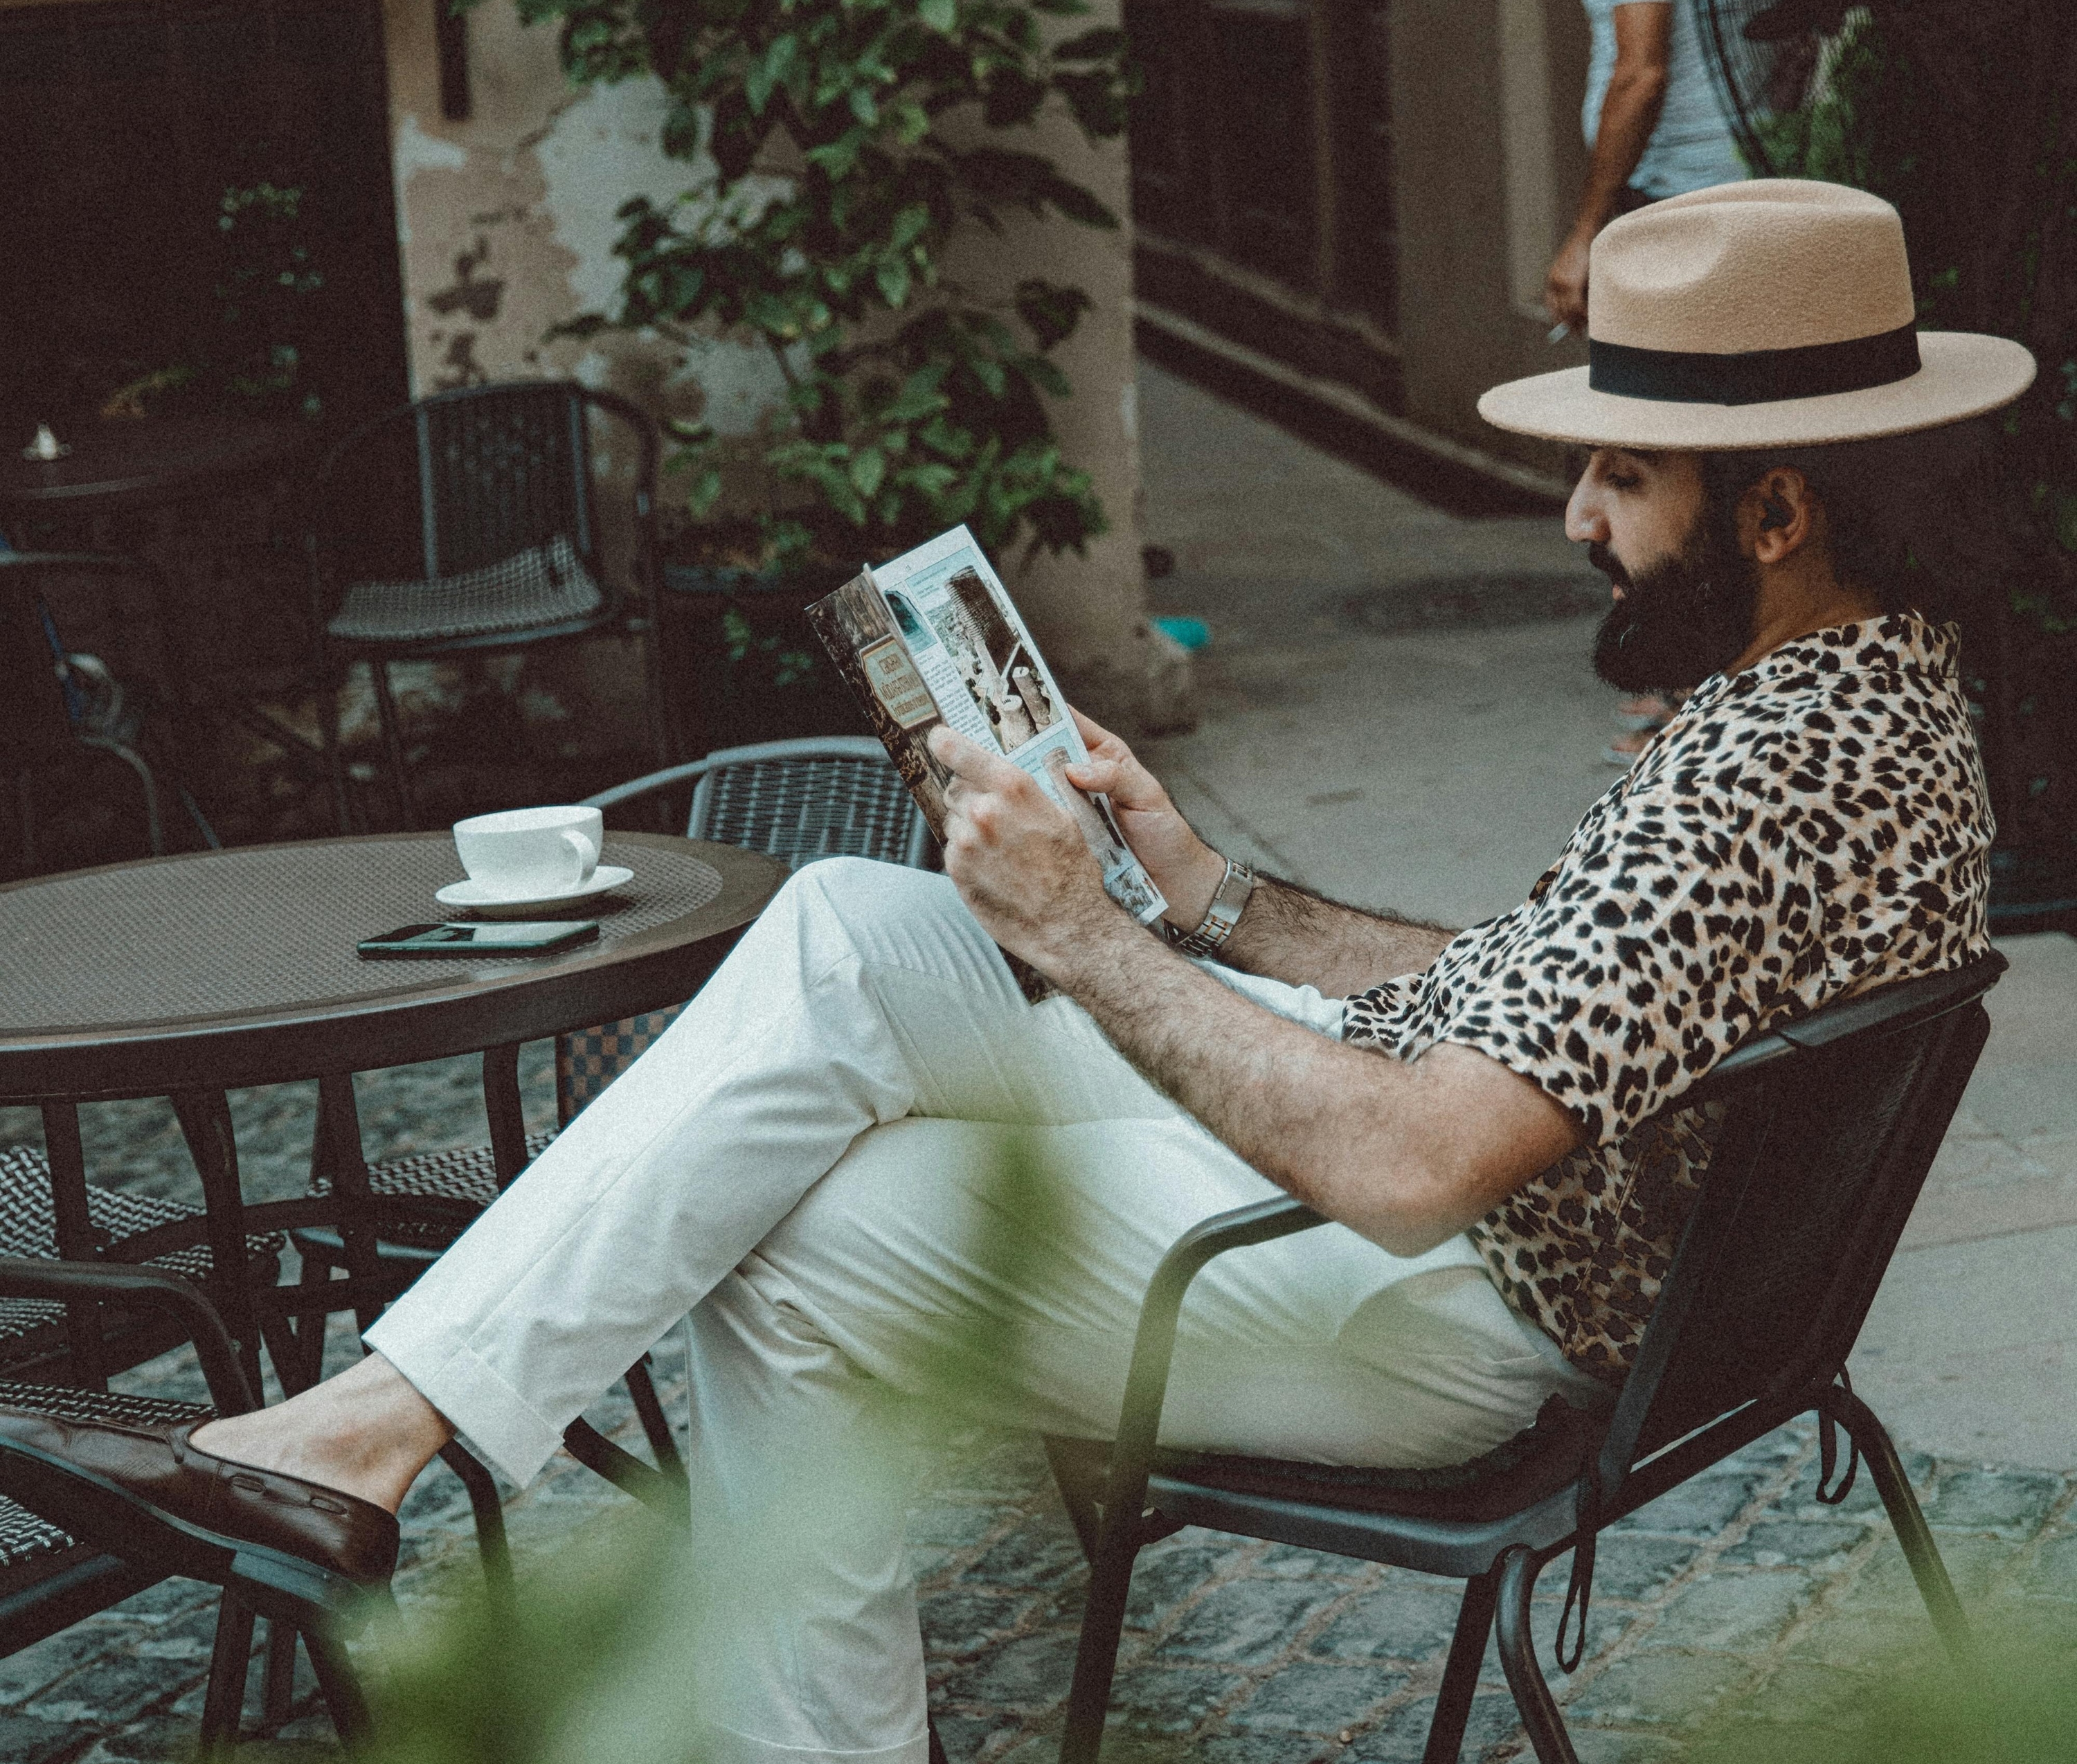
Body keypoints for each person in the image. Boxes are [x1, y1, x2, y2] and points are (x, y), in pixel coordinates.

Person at [0, 182, 2035, 1764]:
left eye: (1623, 477)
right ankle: (381, 1419)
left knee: (782, 1230)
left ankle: (401, 1452)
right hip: (1572, 1245)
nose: (1575, 517)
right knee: (852, 928)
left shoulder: (1755, 787)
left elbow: (1417, 1157)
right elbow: (1537, 993)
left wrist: (1073, 928)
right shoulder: (1863, 699)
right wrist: (1199, 887)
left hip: (1478, 1310)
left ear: (1773, 506)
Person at [1545, 0, 1749, 766]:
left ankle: (1680, 694)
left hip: (1680, 200)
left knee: (1669, 465)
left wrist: (1588, 227)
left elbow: (1640, 72)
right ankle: (1694, 688)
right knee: (1705, 461)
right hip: (1738, 185)